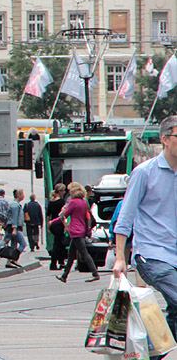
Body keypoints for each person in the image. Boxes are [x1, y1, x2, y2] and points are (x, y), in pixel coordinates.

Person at [113, 115, 177, 345]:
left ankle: (149, 353)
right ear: (165, 139)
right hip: (152, 255)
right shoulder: (144, 172)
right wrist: (120, 257)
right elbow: (125, 216)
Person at [56, 181, 99, 283]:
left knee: (84, 253)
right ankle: (64, 276)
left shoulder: (73, 202)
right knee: (71, 254)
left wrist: (64, 222)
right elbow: (87, 216)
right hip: (82, 229)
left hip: (75, 231)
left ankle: (95, 273)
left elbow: (64, 215)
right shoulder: (83, 202)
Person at [47, 183, 68, 270]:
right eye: (63, 190)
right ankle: (55, 263)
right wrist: (65, 226)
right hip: (59, 224)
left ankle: (60, 262)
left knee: (58, 243)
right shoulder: (61, 202)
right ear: (60, 191)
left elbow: (48, 215)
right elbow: (62, 216)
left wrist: (48, 226)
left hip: (53, 224)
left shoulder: (51, 201)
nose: (64, 192)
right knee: (58, 244)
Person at [4, 189, 28, 267]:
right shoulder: (15, 205)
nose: (24, 196)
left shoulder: (15, 204)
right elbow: (14, 217)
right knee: (23, 244)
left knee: (13, 245)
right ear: (18, 195)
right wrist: (14, 228)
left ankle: (9, 261)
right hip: (14, 227)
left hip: (13, 227)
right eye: (22, 194)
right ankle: (13, 258)